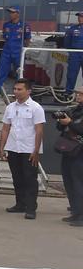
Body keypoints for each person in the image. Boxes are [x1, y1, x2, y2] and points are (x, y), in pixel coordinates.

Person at [0, 78, 45, 219]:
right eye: (15, 89)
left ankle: (31, 208)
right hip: (13, 147)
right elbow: (5, 128)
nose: (16, 92)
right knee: (17, 178)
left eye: (20, 89)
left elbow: (39, 130)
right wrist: (2, 148)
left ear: (28, 91)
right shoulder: (10, 107)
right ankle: (20, 204)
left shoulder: (35, 108)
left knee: (30, 179)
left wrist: (36, 150)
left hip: (29, 149)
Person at [55, 88, 83, 227]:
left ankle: (81, 216)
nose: (78, 96)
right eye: (77, 93)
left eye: (81, 94)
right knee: (69, 181)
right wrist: (61, 121)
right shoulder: (75, 109)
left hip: (80, 153)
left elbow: (79, 129)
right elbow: (63, 128)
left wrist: (70, 123)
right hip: (69, 149)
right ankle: (76, 212)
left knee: (79, 183)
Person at [0, 6, 32, 88]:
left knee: (20, 72)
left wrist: (23, 49)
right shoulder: (6, 25)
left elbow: (28, 39)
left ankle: (20, 90)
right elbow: (4, 36)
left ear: (18, 14)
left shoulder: (24, 25)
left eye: (13, 12)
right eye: (10, 12)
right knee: (1, 70)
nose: (11, 14)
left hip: (18, 52)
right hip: (6, 51)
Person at [65, 12, 83, 92]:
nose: (79, 18)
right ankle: (68, 93)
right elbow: (67, 42)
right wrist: (72, 51)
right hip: (75, 53)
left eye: (81, 17)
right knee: (71, 74)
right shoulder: (72, 29)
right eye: (79, 17)